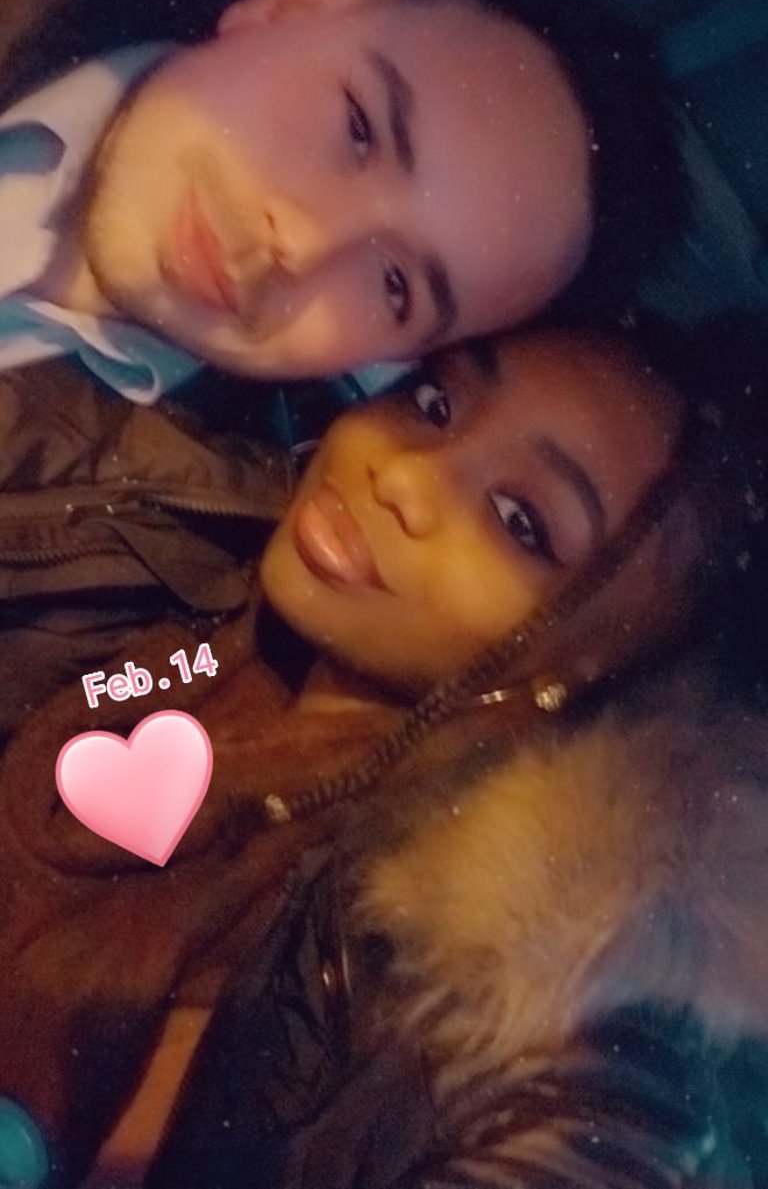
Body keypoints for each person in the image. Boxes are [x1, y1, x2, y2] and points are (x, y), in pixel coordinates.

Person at [0, 315, 763, 1187]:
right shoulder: (180, 569)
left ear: (597, 669)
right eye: (435, 402)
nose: (402, 474)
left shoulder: (467, 965)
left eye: (519, 519)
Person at [0, 0, 690, 406]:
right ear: (293, 5)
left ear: (400, 358)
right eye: (360, 128)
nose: (303, 244)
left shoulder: (187, 528)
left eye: (395, 285)